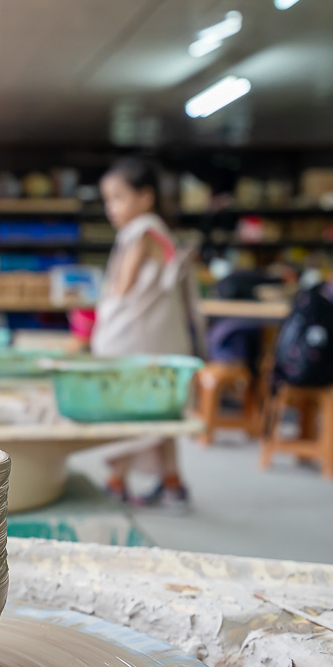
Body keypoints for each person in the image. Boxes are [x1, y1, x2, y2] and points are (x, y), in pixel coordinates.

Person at [90, 157, 203, 511]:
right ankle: (173, 485)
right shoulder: (161, 232)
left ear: (146, 197)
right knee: (159, 415)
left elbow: (121, 293)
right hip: (162, 340)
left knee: (125, 413)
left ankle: (115, 482)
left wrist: (95, 327)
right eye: (108, 200)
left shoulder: (139, 233)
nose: (112, 208)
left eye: (119, 198)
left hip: (136, 343)